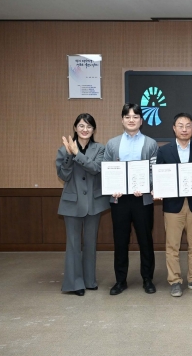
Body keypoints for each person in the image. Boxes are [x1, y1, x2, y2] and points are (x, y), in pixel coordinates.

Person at [104, 103, 159, 295]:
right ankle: (120, 280)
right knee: (120, 241)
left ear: (141, 121)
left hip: (142, 199)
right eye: (127, 117)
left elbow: (154, 171)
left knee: (145, 240)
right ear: (122, 120)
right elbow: (106, 170)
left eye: (135, 117)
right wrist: (113, 188)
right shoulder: (112, 144)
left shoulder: (150, 143)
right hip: (119, 200)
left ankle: (147, 279)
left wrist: (145, 186)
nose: (131, 120)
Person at [56, 114, 110, 296]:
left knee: (90, 243)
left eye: (88, 126)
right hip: (72, 203)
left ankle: (89, 280)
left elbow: (96, 169)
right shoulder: (63, 150)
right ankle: (74, 283)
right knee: (73, 244)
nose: (85, 129)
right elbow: (64, 175)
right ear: (75, 128)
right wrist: (69, 154)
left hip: (94, 202)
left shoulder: (100, 149)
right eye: (81, 126)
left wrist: (77, 154)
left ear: (93, 130)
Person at [156, 113, 192, 297]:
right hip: (173, 205)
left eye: (188, 126)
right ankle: (175, 281)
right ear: (174, 128)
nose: (184, 129)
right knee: (172, 246)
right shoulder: (164, 151)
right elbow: (159, 175)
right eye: (180, 126)